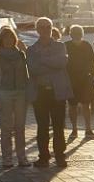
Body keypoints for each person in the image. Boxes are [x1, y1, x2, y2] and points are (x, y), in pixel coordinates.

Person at [26, 17, 71, 167]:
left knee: (59, 126)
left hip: (57, 91)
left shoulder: (60, 46)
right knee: (42, 126)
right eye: (42, 27)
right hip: (40, 93)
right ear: (37, 30)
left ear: (52, 28)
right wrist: (51, 62)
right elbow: (33, 69)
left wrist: (43, 60)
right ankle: (43, 157)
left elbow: (62, 63)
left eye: (48, 27)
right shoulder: (31, 49)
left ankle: (60, 156)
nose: (46, 30)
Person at [0, 27, 32, 169]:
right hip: (4, 93)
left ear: (15, 39)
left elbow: (26, 74)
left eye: (11, 38)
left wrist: (27, 91)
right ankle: (7, 158)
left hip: (20, 93)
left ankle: (22, 157)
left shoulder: (21, 55)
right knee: (6, 128)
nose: (8, 40)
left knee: (20, 127)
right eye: (5, 38)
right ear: (1, 40)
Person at [65, 25, 94, 139]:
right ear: (71, 34)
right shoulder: (67, 46)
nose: (76, 35)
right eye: (75, 33)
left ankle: (85, 129)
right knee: (74, 105)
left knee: (83, 105)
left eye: (78, 33)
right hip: (72, 80)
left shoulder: (86, 45)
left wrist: (92, 77)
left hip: (85, 79)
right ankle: (77, 129)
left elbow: (92, 62)